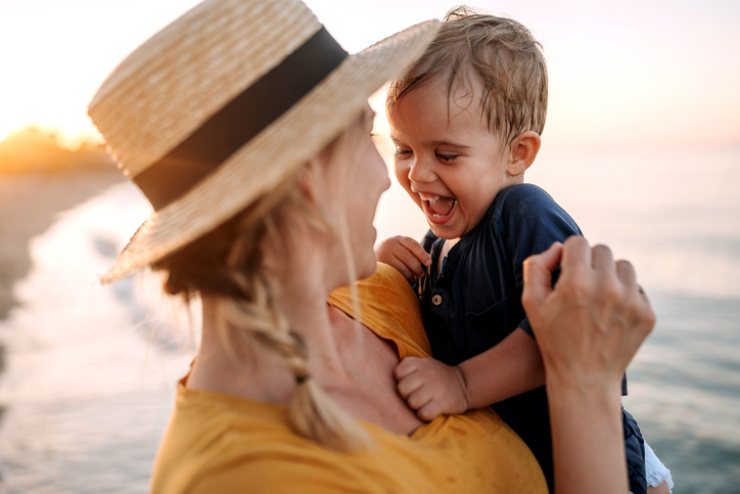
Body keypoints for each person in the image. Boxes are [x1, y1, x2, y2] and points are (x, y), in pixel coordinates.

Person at [88, 0, 656, 492]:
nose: (393, 178)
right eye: (370, 136)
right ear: (309, 172)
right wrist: (585, 385)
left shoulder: (384, 295)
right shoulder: (242, 474)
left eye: (442, 153)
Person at [377, 7, 672, 494]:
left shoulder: (524, 214)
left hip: (600, 460)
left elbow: (564, 333)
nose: (417, 174)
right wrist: (393, 266)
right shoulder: (439, 244)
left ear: (518, 153)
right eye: (404, 149)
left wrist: (462, 384)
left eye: (445, 154)